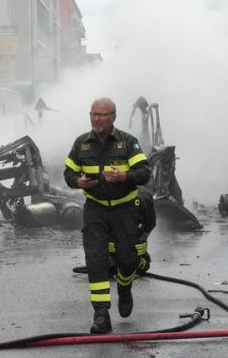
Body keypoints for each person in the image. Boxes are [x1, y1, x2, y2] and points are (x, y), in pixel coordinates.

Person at [64, 97, 151, 334]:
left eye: (102, 115)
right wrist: (77, 181)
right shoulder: (82, 143)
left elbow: (144, 173)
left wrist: (124, 177)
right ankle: (101, 314)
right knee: (95, 260)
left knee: (127, 259)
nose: (96, 119)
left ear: (113, 117)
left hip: (125, 209)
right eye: (93, 114)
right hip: (96, 209)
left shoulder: (127, 142)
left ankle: (124, 288)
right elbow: (68, 172)